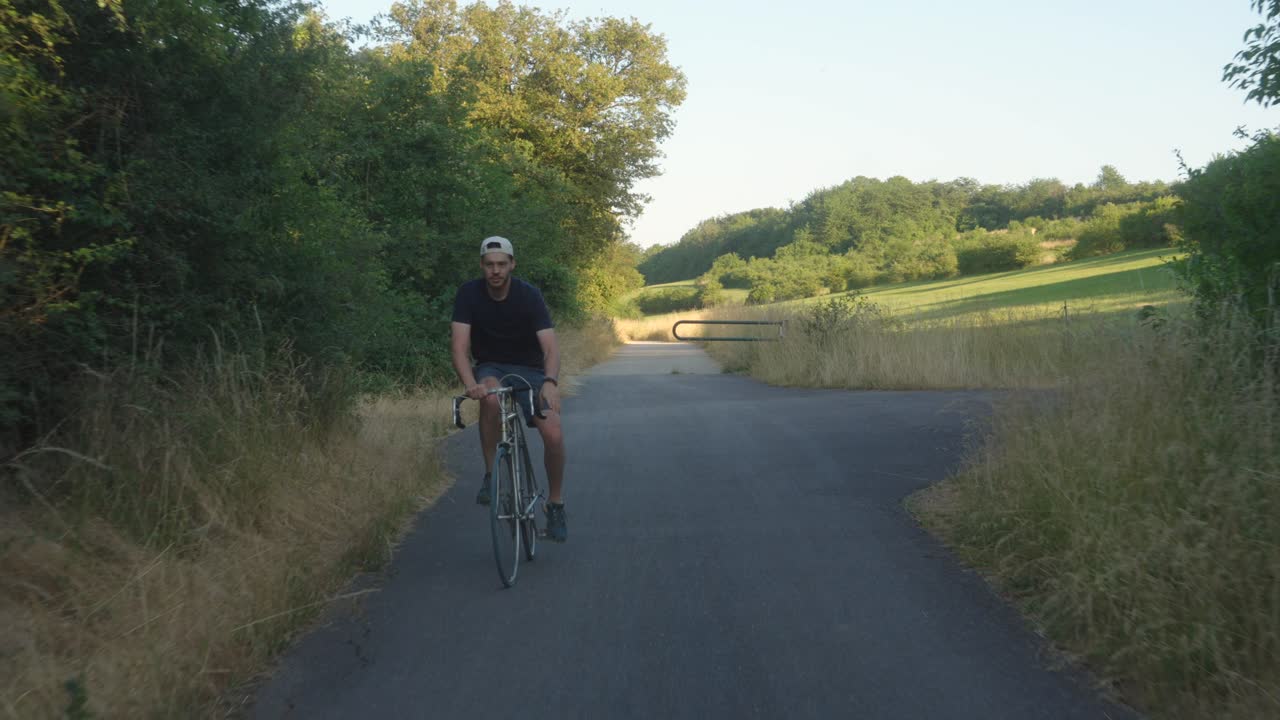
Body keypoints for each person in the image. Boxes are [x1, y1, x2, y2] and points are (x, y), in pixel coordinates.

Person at [450, 236, 568, 542]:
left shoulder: (529, 295)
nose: (495, 271)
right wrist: (470, 384)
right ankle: (492, 476)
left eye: (502, 264)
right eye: (489, 265)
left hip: (530, 371)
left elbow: (551, 349)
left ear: (512, 264)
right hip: (491, 367)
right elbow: (460, 348)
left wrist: (551, 383)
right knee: (489, 398)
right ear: (481, 266)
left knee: (553, 432)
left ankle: (555, 505)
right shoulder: (468, 294)